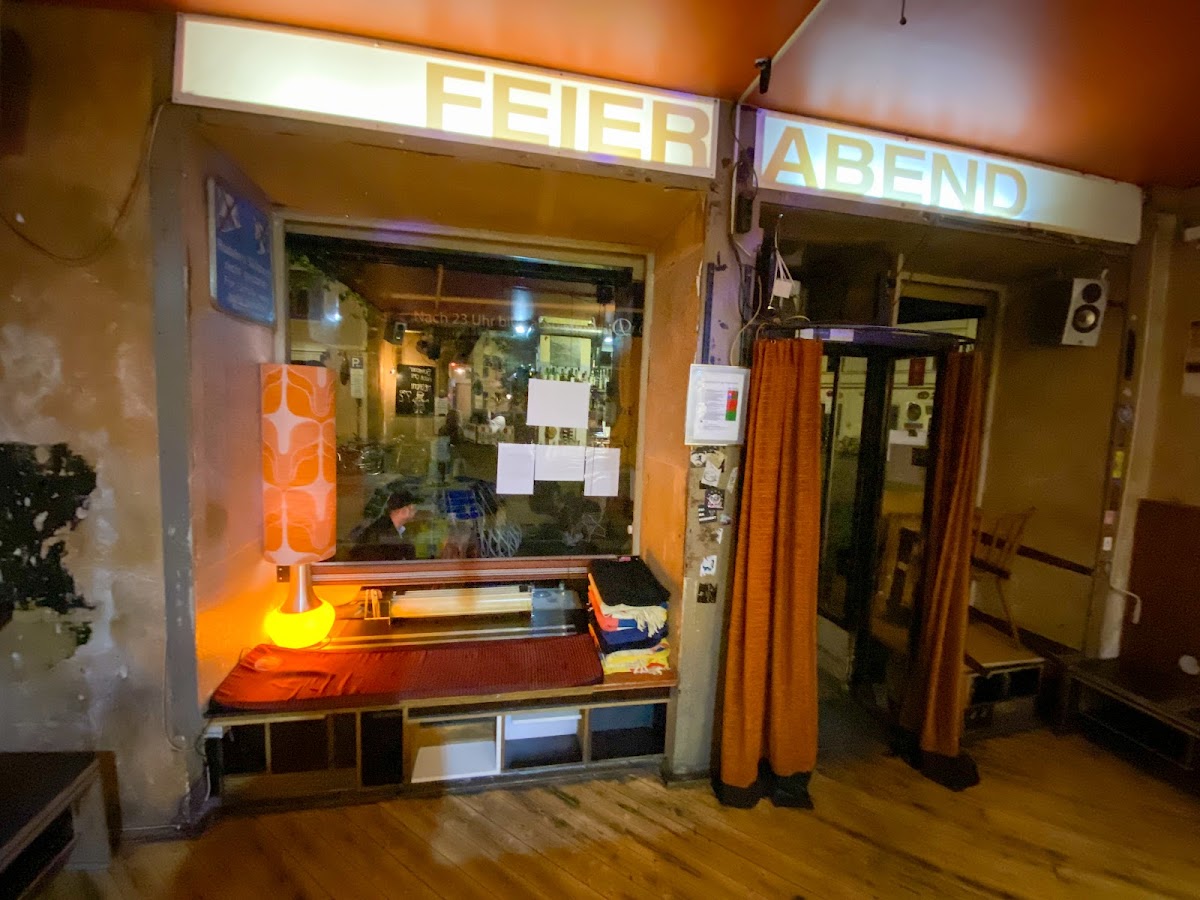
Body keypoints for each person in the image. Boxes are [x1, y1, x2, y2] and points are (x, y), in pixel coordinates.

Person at [348, 489, 420, 561]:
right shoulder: (380, 532)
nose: (415, 511)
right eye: (413, 508)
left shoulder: (401, 530)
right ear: (403, 510)